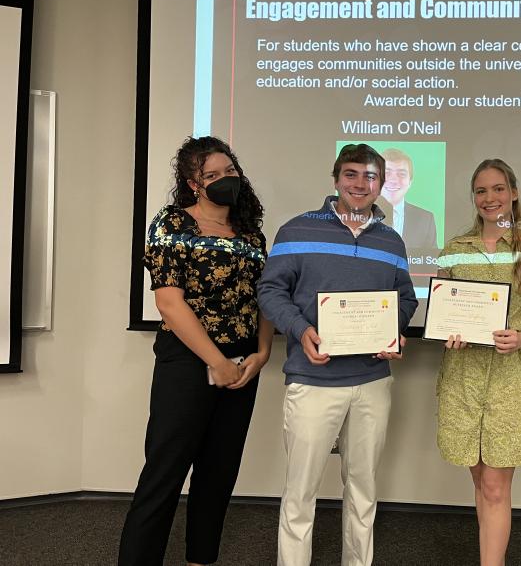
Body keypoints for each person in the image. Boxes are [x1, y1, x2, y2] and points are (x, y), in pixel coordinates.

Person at [257, 143, 418, 566]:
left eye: (370, 176)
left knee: (363, 492)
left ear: (381, 184)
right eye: (351, 174)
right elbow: (270, 291)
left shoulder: (392, 240)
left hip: (372, 382)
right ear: (335, 179)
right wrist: (301, 329)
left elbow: (404, 299)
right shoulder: (296, 230)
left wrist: (394, 332)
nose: (360, 184)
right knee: (300, 494)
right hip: (312, 381)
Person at [119, 136, 273, 566]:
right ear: (192, 184)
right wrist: (216, 361)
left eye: (230, 171)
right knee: (163, 474)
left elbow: (264, 296)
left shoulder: (250, 234)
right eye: (212, 175)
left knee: (218, 475)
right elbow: (169, 302)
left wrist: (261, 353)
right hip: (188, 361)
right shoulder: (171, 225)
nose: (225, 179)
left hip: (243, 363)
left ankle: (200, 559)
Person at [435, 159, 521, 566]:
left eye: (499, 189)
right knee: (478, 478)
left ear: (515, 193)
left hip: (509, 378)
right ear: (474, 197)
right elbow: (444, 311)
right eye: (482, 191)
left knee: (495, 485)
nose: (491, 198)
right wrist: (449, 332)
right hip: (463, 377)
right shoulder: (455, 249)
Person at [379, 147, 438, 249]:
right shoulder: (358, 215)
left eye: (401, 174)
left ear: (410, 182)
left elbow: (431, 261)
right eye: (387, 173)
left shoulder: (426, 219)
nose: (393, 180)